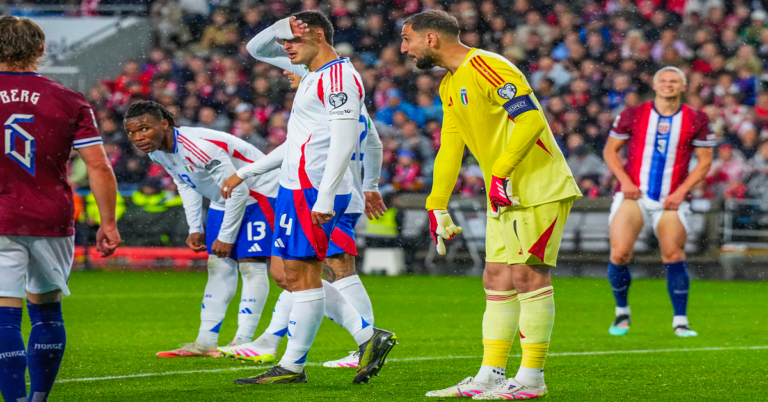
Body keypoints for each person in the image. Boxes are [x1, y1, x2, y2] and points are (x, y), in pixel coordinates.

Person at [401, 10, 581, 400]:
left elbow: (530, 120)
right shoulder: (450, 85)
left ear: (431, 39)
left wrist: (499, 171)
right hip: (503, 193)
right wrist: (437, 205)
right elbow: (450, 148)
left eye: (407, 39)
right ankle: (489, 375)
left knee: (527, 277)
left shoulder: (486, 65)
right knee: (496, 279)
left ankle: (531, 379)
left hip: (537, 186)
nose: (404, 48)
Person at [218, 11, 396, 385]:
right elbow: (256, 47)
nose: (285, 49)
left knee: (306, 272)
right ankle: (367, 337)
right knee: (285, 274)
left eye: (293, 40)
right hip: (292, 187)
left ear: (317, 35)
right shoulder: (313, 74)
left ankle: (294, 365)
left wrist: (326, 197)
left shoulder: (339, 77)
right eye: (283, 42)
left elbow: (349, 141)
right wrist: (286, 24)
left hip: (313, 189)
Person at [0, 16, 121, 402]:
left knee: (4, 316)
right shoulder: (69, 99)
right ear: (40, 50)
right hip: (50, 216)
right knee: (47, 312)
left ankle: (15, 399)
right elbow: (99, 166)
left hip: (1, 217)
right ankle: (38, 399)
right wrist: (108, 223)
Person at [123, 101, 278, 358]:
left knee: (251, 264)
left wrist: (227, 237)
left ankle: (243, 341)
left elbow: (238, 190)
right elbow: (185, 183)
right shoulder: (157, 151)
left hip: (260, 193)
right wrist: (194, 227)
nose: (138, 137)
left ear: (164, 124)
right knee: (218, 265)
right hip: (223, 199)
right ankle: (205, 342)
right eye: (131, 132)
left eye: (144, 129)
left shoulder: (199, 147)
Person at [603, 66, 715, 338]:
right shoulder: (633, 114)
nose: (668, 84)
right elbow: (610, 151)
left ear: (683, 86)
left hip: (672, 198)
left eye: (674, 81)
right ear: (655, 85)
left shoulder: (696, 118)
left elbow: (705, 161)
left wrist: (680, 192)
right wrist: (627, 182)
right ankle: (622, 312)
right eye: (663, 80)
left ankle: (680, 320)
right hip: (634, 194)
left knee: (673, 254)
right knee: (619, 254)